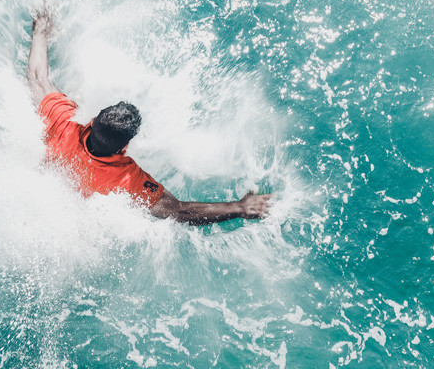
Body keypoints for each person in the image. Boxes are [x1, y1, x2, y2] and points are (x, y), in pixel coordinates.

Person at [26, 13, 271, 225]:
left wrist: (40, 31)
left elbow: (37, 78)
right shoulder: (127, 178)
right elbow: (178, 211)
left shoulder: (64, 122)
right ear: (124, 148)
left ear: (91, 121)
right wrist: (239, 208)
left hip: (40, 192)